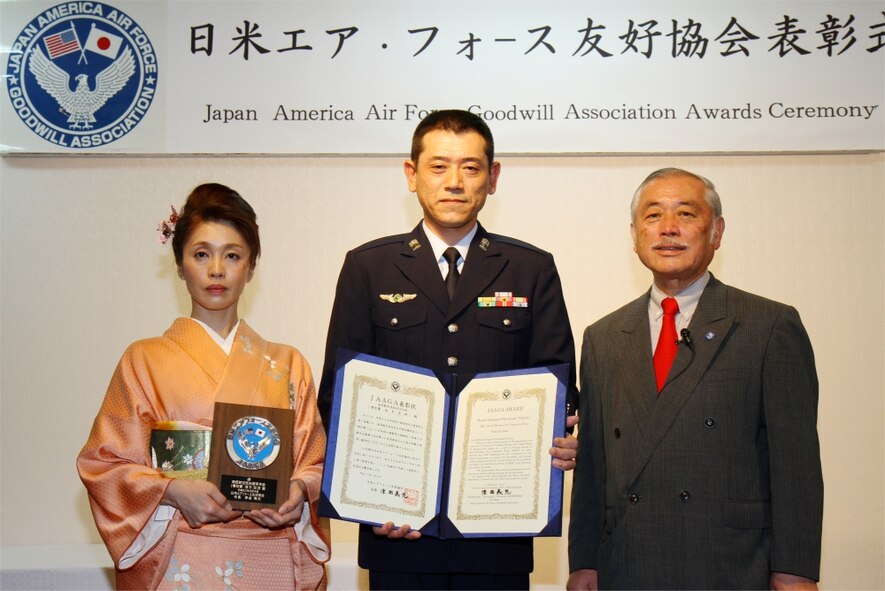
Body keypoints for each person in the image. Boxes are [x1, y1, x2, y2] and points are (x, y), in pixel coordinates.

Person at [318, 109, 579, 590]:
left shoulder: (531, 269)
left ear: (493, 178)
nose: (454, 182)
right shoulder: (368, 267)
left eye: (471, 167)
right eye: (438, 167)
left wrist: (563, 436)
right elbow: (338, 400)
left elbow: (558, 391)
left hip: (497, 535)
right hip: (398, 531)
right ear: (411, 174)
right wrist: (370, 502)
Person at [568, 168, 824, 590]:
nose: (668, 229)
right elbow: (594, 467)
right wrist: (584, 562)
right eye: (653, 216)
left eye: (686, 214)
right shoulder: (604, 337)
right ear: (634, 234)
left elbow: (796, 464)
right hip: (627, 562)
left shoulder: (768, 325)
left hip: (730, 563)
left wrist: (795, 571)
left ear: (717, 231)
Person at [77, 183, 330, 590]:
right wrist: (174, 491)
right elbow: (103, 463)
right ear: (179, 265)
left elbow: (314, 463)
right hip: (180, 554)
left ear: (251, 266)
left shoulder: (288, 364)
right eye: (201, 254)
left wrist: (299, 492)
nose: (217, 270)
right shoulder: (143, 360)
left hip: (270, 554)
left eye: (232, 255)